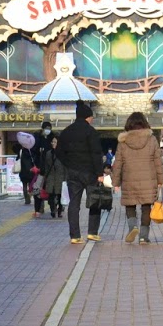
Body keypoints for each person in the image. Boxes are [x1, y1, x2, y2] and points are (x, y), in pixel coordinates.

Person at [113, 111, 163, 244]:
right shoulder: (151, 139)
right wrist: (161, 181)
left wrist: (115, 182)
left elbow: (118, 163)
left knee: (130, 204)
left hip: (129, 179)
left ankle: (132, 227)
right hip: (148, 179)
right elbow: (158, 162)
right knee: (146, 207)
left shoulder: (123, 141)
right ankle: (143, 236)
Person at [59, 100, 106, 244]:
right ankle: (92, 232)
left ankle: (75, 236)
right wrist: (99, 173)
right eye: (91, 117)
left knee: (74, 203)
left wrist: (69, 164)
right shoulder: (91, 132)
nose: (92, 119)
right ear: (87, 117)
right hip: (90, 172)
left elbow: (59, 152)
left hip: (73, 172)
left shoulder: (66, 132)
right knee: (95, 200)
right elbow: (96, 153)